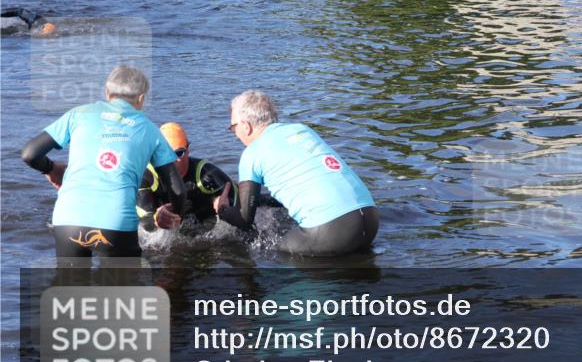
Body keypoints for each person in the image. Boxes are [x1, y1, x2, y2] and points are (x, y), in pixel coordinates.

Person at [20, 65, 187, 258]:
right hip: (116, 223)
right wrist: (176, 215)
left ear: (107, 93)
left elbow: (30, 154)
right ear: (141, 99)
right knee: (121, 287)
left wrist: (51, 168)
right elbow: (177, 189)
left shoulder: (78, 114)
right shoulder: (149, 130)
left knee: (70, 286)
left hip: (68, 219)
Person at [217, 90, 378, 256]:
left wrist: (222, 208)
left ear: (246, 125)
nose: (235, 134)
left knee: (274, 253)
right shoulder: (302, 130)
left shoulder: (252, 153)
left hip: (331, 231)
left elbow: (243, 221)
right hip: (370, 220)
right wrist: (260, 201)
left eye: (233, 127)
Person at [136, 122, 235, 232]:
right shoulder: (146, 176)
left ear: (188, 150)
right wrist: (156, 219)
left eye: (178, 153)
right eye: (164, 154)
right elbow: (144, 221)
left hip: (203, 228)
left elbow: (242, 203)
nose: (171, 160)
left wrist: (225, 207)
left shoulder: (206, 173)